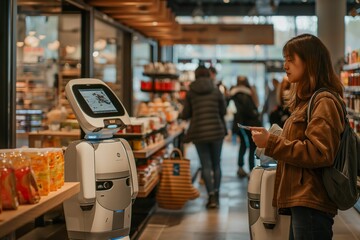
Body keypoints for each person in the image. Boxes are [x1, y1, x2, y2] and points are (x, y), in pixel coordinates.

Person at [250, 34, 344, 239]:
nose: (285, 65)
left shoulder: (324, 101)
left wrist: (271, 142)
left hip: (311, 199)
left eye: (291, 59)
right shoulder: (307, 101)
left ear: (310, 61)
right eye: (285, 59)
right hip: (302, 199)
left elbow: (319, 152)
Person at [180, 65, 227, 209]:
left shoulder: (191, 92)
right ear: (208, 75)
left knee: (205, 166)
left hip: (199, 132)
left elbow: (186, 113)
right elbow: (223, 111)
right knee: (216, 164)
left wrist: (180, 115)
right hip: (216, 131)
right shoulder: (216, 89)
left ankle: (211, 196)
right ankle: (217, 196)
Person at [230, 76, 262, 178]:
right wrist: (255, 115)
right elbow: (249, 110)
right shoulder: (246, 93)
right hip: (249, 124)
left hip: (240, 123)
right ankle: (251, 169)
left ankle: (241, 167)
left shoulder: (234, 93)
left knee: (243, 145)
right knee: (252, 146)